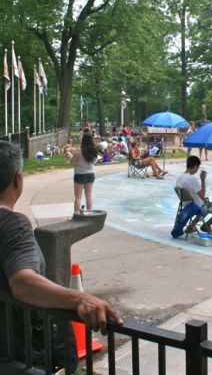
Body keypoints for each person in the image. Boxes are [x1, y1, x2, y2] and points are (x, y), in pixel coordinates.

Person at [0, 141, 123, 365]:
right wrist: (81, 299)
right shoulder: (12, 224)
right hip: (13, 354)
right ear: (18, 180)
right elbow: (23, 282)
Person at [176, 155, 212, 232]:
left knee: (205, 203)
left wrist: (203, 200)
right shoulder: (192, 179)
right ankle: (207, 226)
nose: (197, 170)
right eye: (197, 168)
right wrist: (203, 179)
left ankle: (191, 226)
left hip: (186, 205)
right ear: (195, 166)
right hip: (195, 207)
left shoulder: (179, 178)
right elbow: (202, 195)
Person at [69, 133, 98, 213]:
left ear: (83, 140)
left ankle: (76, 215)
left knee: (78, 197)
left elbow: (72, 162)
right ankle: (90, 214)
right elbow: (94, 162)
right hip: (90, 174)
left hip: (80, 174)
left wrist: (71, 156)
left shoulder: (79, 151)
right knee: (88, 195)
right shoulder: (94, 150)